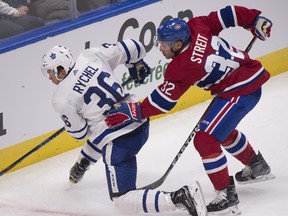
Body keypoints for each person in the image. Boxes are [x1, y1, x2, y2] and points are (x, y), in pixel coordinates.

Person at [104, 5, 275, 215]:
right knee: (220, 131)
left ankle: (227, 197)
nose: (160, 48)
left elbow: (163, 101)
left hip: (239, 89)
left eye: (164, 45)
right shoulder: (197, 26)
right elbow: (227, 14)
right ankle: (256, 165)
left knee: (206, 139)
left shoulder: (182, 67)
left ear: (177, 44)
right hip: (246, 78)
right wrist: (254, 20)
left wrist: (134, 110)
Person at [40, 40, 206, 216]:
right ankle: (83, 163)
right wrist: (136, 64)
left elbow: (80, 134)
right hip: (139, 121)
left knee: (122, 200)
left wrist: (82, 116)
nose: (50, 78)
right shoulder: (89, 56)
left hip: (120, 142)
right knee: (102, 129)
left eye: (51, 72)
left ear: (61, 69)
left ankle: (180, 197)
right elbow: (133, 46)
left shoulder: (61, 99)